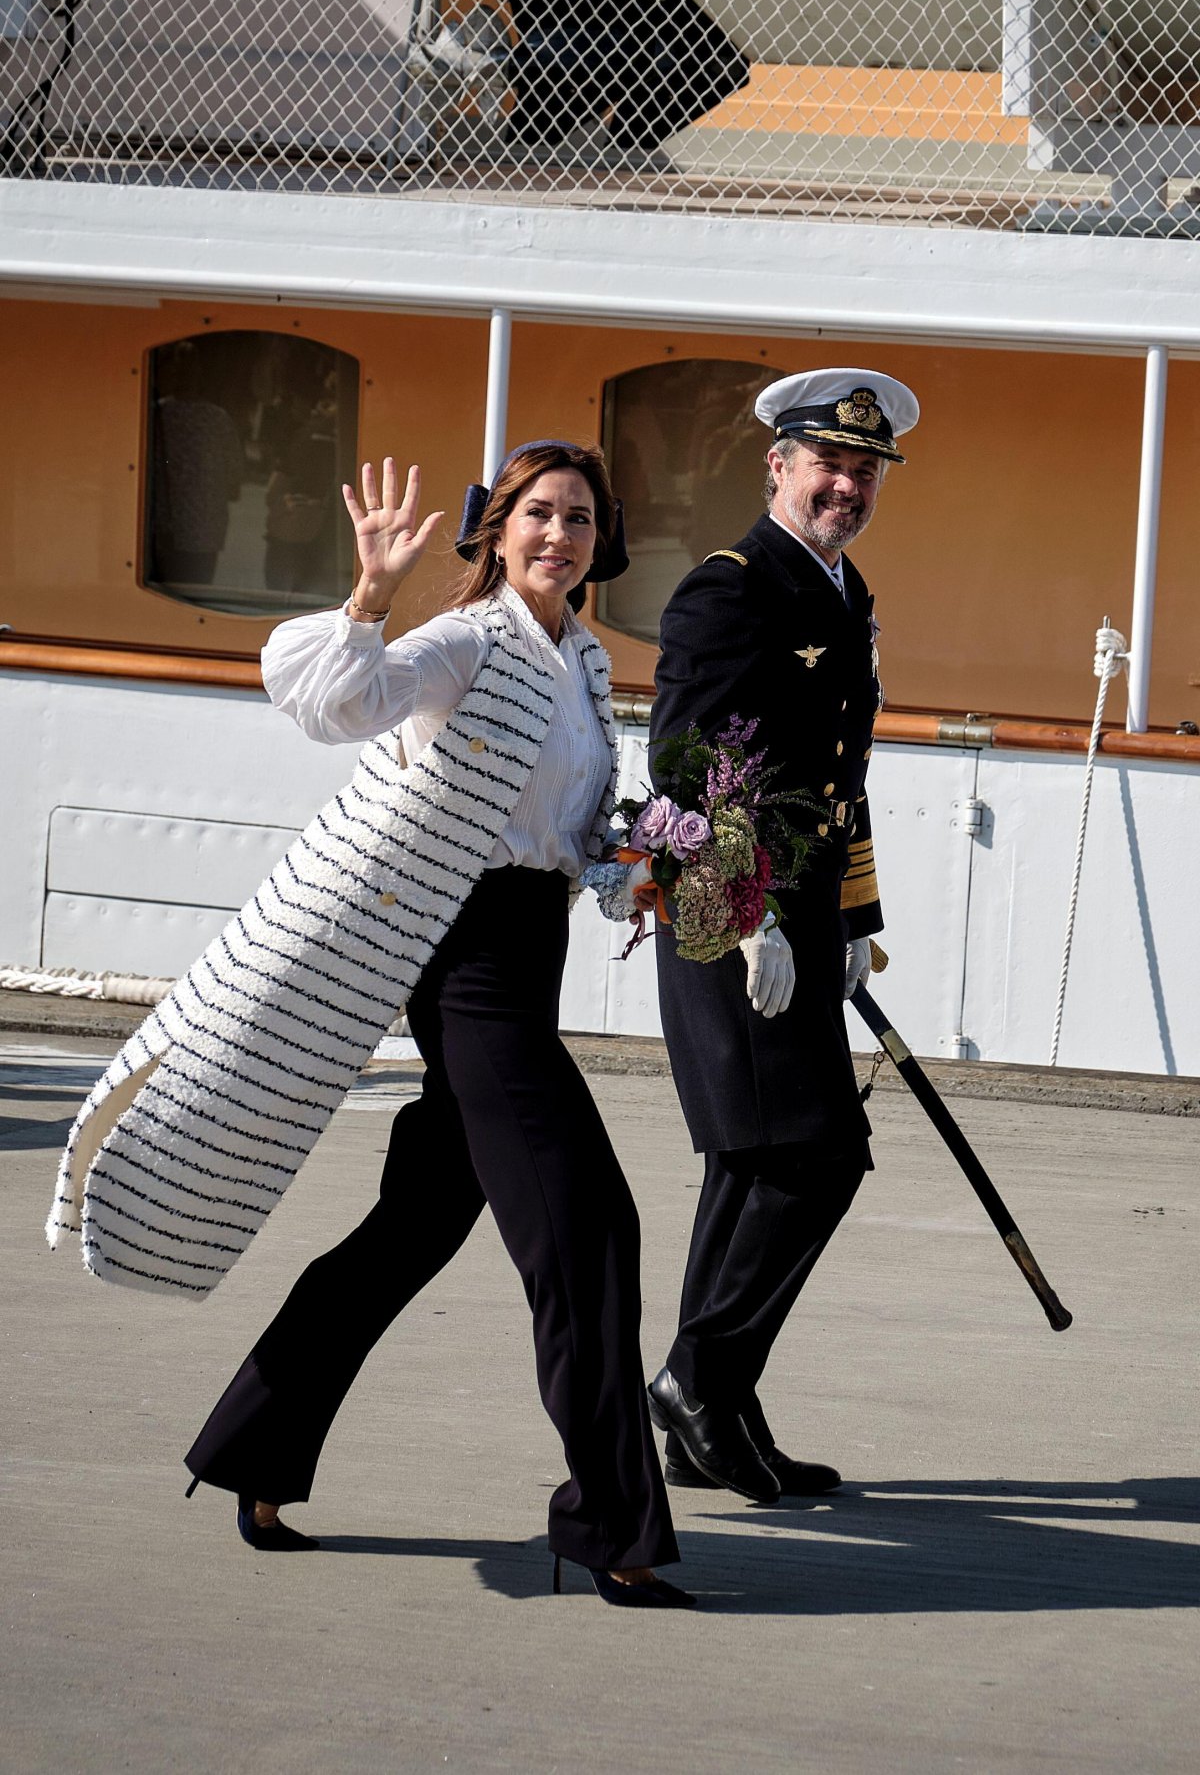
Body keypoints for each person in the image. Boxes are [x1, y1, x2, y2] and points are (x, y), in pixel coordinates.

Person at [48, 438, 690, 1608]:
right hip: (468, 970)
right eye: (538, 514)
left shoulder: (587, 664)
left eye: (582, 518)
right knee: (590, 1229)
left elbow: (574, 831)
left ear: (606, 543)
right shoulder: (467, 640)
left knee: (410, 1233)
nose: (560, 534)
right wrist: (368, 595)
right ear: (495, 532)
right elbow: (337, 703)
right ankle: (613, 1527)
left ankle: (254, 1448)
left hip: (527, 949)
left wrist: (650, 864)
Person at [644, 368, 919, 1504]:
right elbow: (690, 764)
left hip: (801, 921)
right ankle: (698, 1378)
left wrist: (854, 919)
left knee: (753, 1161)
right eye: (827, 463)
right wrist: (746, 911)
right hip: (727, 915)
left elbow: (838, 778)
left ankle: (713, 1420)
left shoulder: (845, 593)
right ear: (777, 466)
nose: (846, 484)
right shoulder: (733, 589)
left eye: (864, 471)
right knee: (817, 1160)